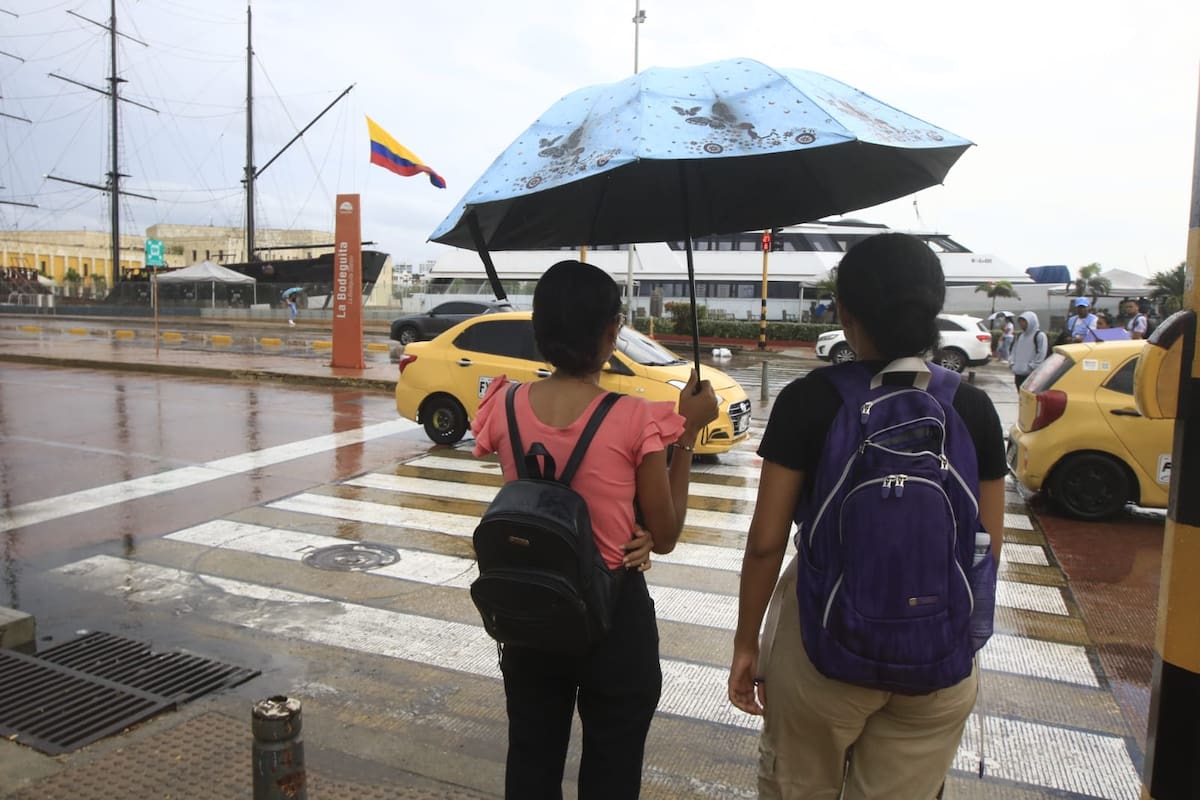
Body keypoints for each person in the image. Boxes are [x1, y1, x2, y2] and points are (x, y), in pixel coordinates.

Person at [727, 234, 1006, 799]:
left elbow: (765, 543)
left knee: (798, 788)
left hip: (821, 647)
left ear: (845, 312)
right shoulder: (972, 407)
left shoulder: (809, 400)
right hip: (936, 658)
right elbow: (987, 545)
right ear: (933, 309)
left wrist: (746, 643)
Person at [471, 259, 718, 799]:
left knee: (532, 759)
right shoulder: (633, 418)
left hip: (529, 609)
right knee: (612, 765)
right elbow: (666, 535)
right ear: (611, 332)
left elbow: (544, 492)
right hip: (612, 612)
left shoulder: (504, 403)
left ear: (539, 331)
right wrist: (687, 436)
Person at [1011, 311, 1048, 391]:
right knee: (1020, 394)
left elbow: (1041, 353)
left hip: (1031, 374)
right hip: (1018, 372)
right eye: (1020, 321)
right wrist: (1012, 363)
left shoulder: (1039, 335)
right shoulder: (1020, 336)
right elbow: (1014, 350)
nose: (1021, 324)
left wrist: (1032, 366)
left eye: (1024, 321)